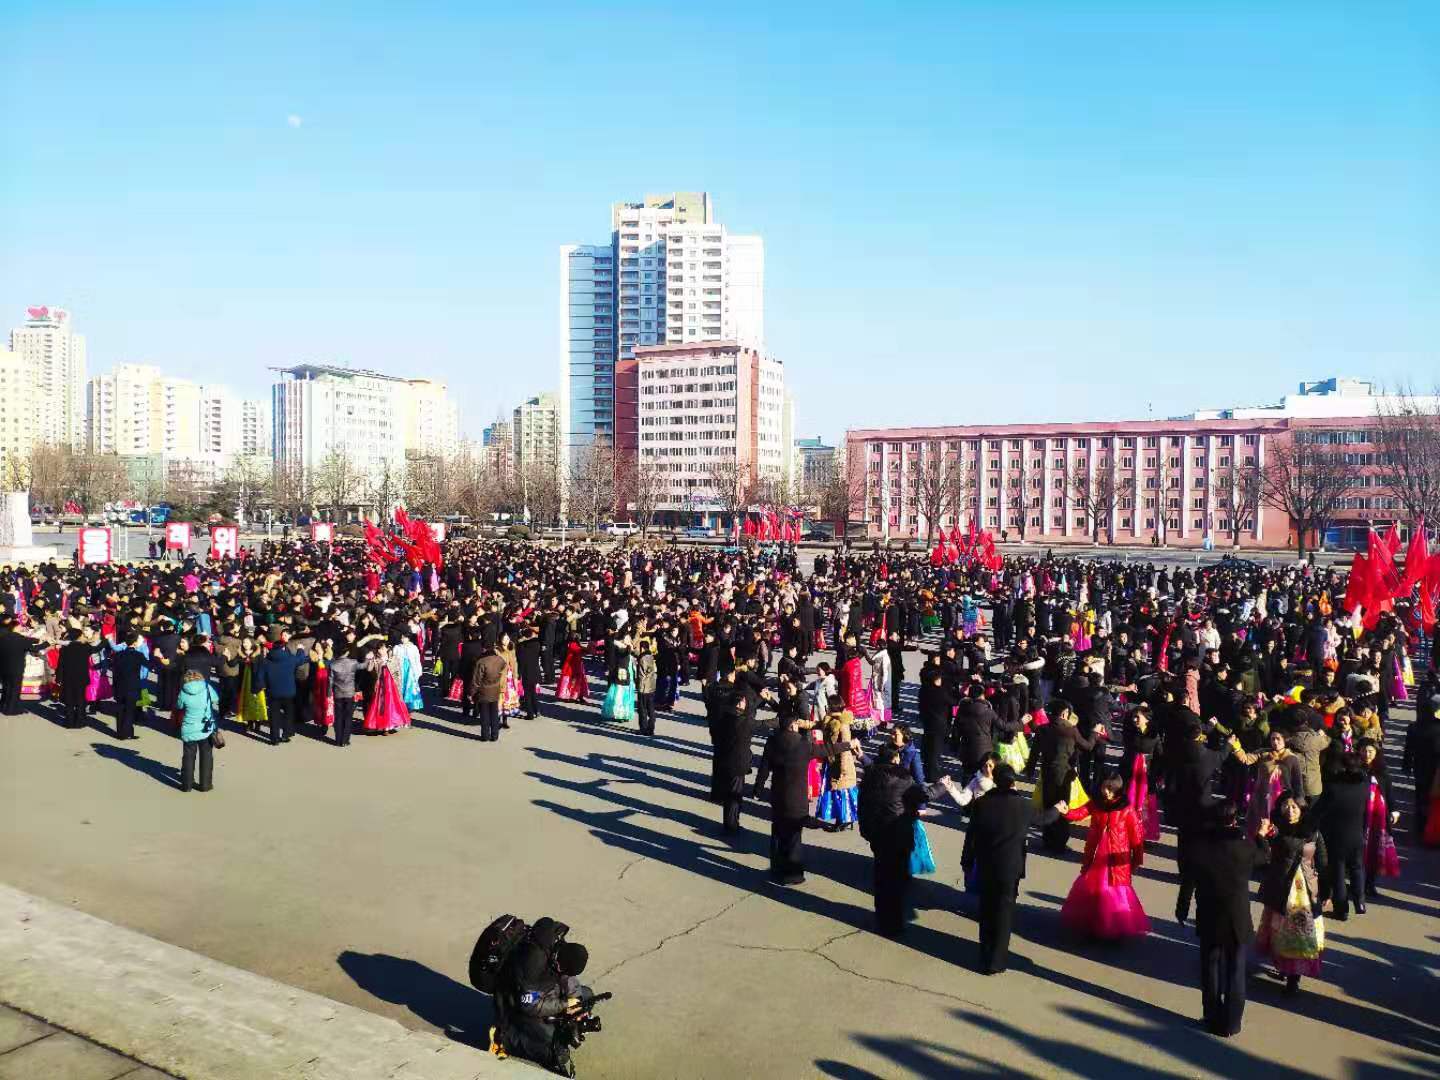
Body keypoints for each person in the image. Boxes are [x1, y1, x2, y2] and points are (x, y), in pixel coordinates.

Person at [962, 764, 1054, 974]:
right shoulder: (1023, 806)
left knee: (986, 911)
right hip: (1010, 868)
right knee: (1004, 913)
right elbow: (1043, 819)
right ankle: (997, 961)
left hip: (986, 865)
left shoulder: (982, 803)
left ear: (995, 780)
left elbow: (971, 835)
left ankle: (985, 956)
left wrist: (967, 861)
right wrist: (1058, 809)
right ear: (1013, 783)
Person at [1189, 800, 1264, 1037]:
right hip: (1237, 917)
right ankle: (1232, 1023)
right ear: (1235, 820)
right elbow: (1265, 856)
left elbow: (1188, 881)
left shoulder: (1199, 848)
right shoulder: (1245, 849)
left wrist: (1182, 908)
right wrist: (1261, 835)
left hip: (1209, 914)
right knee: (1235, 971)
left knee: (1210, 969)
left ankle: (1212, 1016)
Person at [857, 743, 944, 937]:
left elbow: (862, 804)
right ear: (895, 759)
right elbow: (925, 794)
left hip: (876, 834)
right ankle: (894, 924)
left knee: (881, 877)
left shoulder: (870, 776)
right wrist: (942, 785)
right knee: (896, 881)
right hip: (898, 834)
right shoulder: (904, 779)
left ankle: (881, 919)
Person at [1059, 771, 1151, 941]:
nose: (1106, 792)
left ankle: (1114, 926)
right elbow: (1080, 813)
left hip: (1117, 859)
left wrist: (1137, 860)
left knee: (1114, 892)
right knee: (1093, 889)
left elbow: (1136, 837)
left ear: (1117, 790)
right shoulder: (1096, 804)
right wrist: (1067, 812)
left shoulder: (1126, 809)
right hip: (1095, 855)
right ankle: (1093, 923)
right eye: (1104, 788)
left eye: (1110, 789)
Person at [496, 929, 596, 1078]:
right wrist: (564, 1004)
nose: (563, 972)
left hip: (542, 991)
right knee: (555, 1054)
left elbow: (568, 978)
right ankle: (508, 1038)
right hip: (518, 1005)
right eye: (563, 969)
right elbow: (530, 1005)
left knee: (586, 996)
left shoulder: (558, 947)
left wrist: (576, 1005)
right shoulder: (532, 966)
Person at [1255, 792, 1328, 994]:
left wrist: (1328, 890)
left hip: (1305, 892)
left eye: (1294, 806)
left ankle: (1293, 978)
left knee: (1299, 936)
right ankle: (1284, 967)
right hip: (1281, 889)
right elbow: (1261, 856)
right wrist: (1260, 836)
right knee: (1280, 933)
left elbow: (1322, 860)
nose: (1290, 810)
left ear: (1303, 810)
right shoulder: (1274, 830)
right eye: (1285, 806)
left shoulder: (1312, 831)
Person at [753, 712, 832, 885]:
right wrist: (849, 744)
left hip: (778, 796)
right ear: (793, 726)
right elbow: (827, 750)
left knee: (778, 833)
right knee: (794, 838)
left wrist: (757, 789)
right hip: (797, 799)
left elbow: (764, 768)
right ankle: (792, 874)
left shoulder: (773, 742)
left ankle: (776, 867)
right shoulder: (803, 744)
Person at [1311, 751, 1369, 919]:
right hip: (1357, 833)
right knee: (1357, 868)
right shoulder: (1363, 786)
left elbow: (1318, 810)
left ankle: (1341, 909)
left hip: (1336, 836)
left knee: (1338, 872)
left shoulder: (1333, 788)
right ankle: (1360, 902)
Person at [1357, 739, 1400, 897]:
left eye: (1370, 751)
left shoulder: (1382, 771)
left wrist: (1394, 811)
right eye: (1364, 750)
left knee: (1374, 851)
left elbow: (1389, 793)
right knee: (1360, 851)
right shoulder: (1353, 768)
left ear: (1376, 753)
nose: (1367, 754)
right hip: (1360, 816)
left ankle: (1370, 884)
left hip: (1378, 819)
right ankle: (1358, 885)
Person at [176, 669, 220, 793]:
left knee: (188, 757)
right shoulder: (206, 687)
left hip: (189, 728)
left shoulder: (183, 691)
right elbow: (216, 699)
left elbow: (179, 705)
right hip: (205, 727)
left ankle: (187, 785)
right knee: (206, 755)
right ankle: (205, 784)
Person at [107, 632, 147, 740]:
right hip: (133, 686)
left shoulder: (118, 655)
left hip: (120, 685)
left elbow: (114, 671)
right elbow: (149, 664)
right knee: (130, 711)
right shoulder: (138, 655)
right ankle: (126, 732)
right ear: (134, 643)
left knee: (120, 709)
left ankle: (121, 732)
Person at [470, 644, 507, 742]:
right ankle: (495, 735)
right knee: (494, 713)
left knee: (484, 714)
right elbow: (504, 667)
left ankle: (485, 735)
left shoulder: (481, 662)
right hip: (495, 690)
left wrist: (472, 692)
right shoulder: (499, 660)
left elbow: (476, 681)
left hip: (483, 691)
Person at [635, 639, 658, 736]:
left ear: (642, 648)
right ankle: (651, 728)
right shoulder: (651, 657)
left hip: (643, 686)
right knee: (651, 708)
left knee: (642, 709)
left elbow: (645, 672)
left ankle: (643, 728)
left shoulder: (643, 658)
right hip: (651, 686)